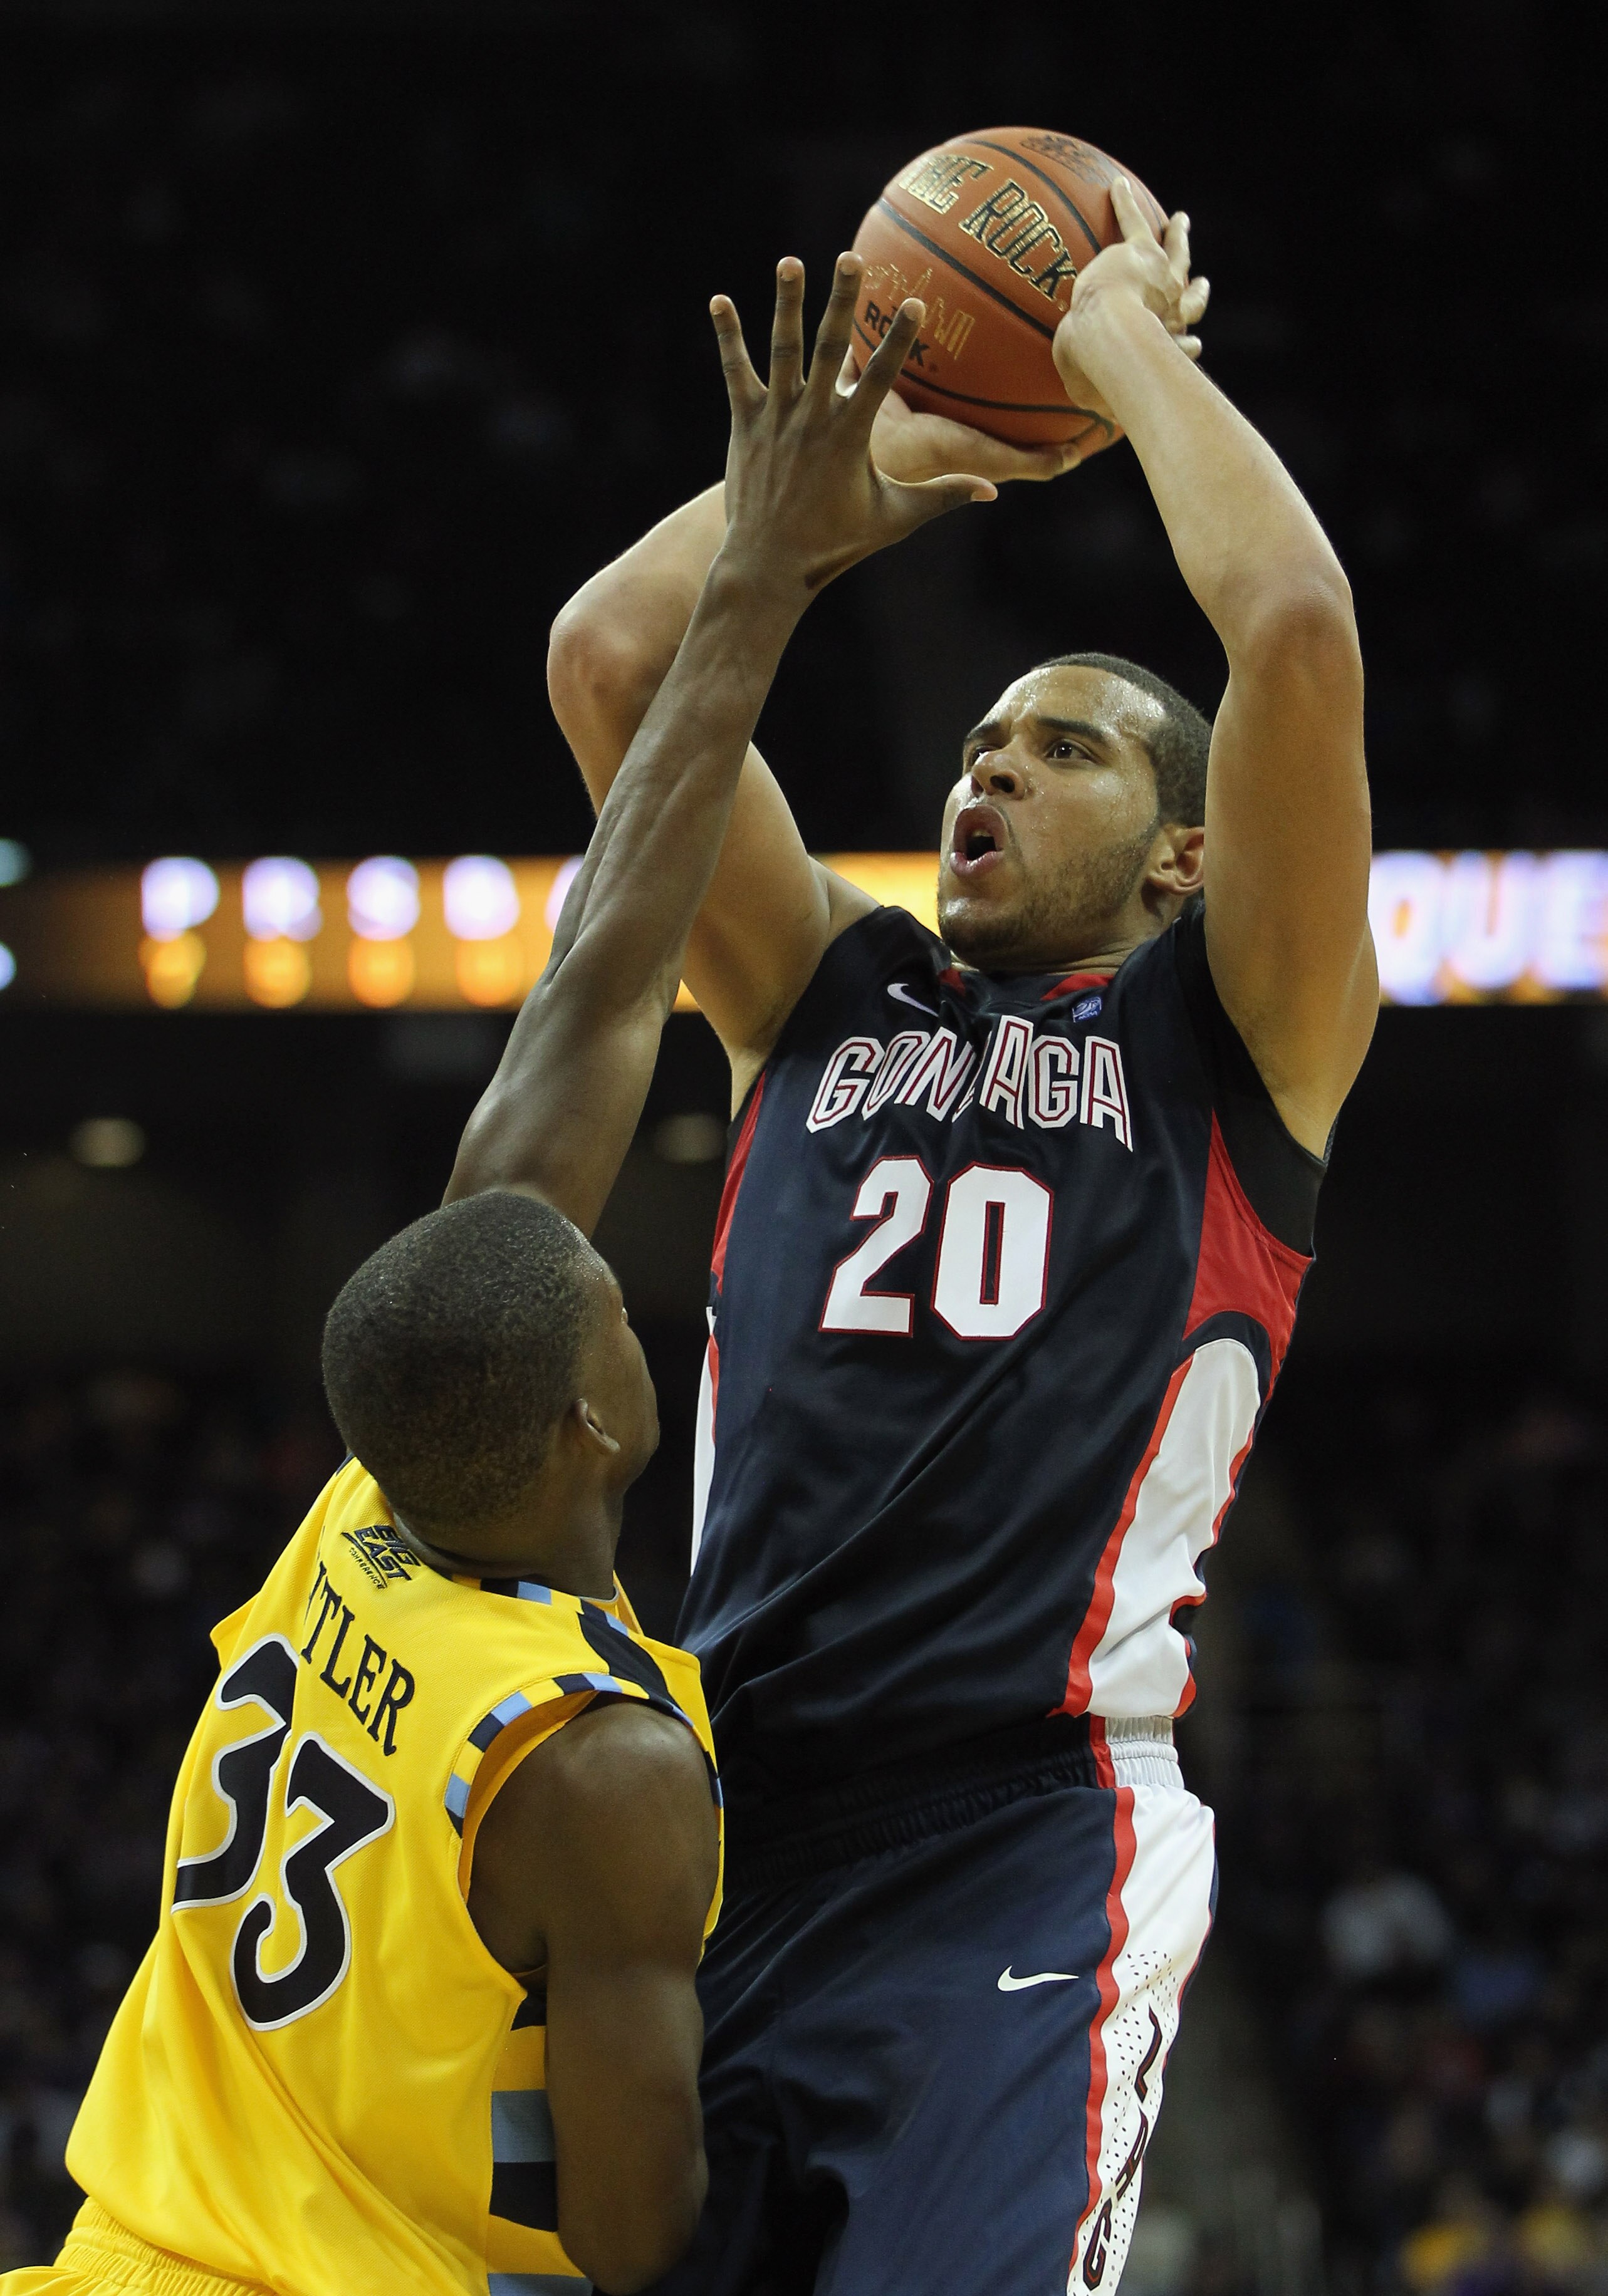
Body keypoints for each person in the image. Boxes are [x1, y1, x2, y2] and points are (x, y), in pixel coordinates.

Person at [2, 257, 984, 2296]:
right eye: (623, 1312)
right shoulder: (598, 1763)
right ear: (594, 1414)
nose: (629, 1283)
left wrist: (766, 578)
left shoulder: (375, 1505)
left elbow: (609, 965)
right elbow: (641, 2243)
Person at [548, 179, 1377, 2296]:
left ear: (1189, 854)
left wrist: (1115, 346)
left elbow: (1288, 626)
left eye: (1068, 746)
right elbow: (620, 657)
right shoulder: (832, 983)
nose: (991, 771)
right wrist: (893, 451)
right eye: (983, 742)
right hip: (719, 1815)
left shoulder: (1235, 1037)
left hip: (1020, 1836)